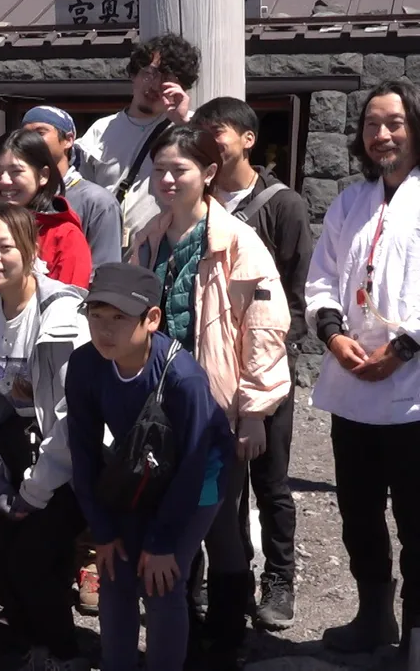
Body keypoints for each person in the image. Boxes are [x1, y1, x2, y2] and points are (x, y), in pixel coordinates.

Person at [129, 125, 292, 669]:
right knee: (169, 515)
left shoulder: (238, 243)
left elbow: (265, 330)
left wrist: (255, 410)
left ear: (208, 174)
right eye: (160, 170)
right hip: (158, 408)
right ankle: (185, 620)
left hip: (217, 409)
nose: (168, 179)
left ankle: (227, 633)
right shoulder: (148, 237)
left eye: (180, 169)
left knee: (220, 521)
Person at [66, 263, 235, 671]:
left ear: (152, 319)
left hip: (199, 477)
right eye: (96, 317)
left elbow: (194, 463)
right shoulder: (85, 365)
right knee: (114, 573)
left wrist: (162, 541)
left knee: (163, 581)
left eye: (119, 319)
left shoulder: (183, 378)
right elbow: (83, 453)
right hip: (138, 467)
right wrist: (102, 531)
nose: (105, 331)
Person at [305, 79, 420, 662]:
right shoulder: (352, 201)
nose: (382, 135)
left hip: (415, 392)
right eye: (373, 124)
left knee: (418, 518)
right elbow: (323, 277)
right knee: (357, 510)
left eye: (395, 123)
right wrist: (332, 334)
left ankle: (418, 635)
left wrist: (403, 349)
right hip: (352, 390)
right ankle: (373, 617)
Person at [195, 96, 313, 631]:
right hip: (209, 369)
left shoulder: (281, 204)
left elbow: (298, 291)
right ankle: (229, 579)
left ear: (247, 138)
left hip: (266, 370)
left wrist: (270, 361)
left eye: (216, 130)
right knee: (218, 485)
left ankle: (280, 582)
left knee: (270, 480)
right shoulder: (196, 199)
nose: (208, 139)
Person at [0, 203, 90, 670]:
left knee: (32, 556)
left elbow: (70, 417)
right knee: (2, 554)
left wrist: (34, 492)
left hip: (69, 462)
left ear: (32, 249)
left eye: (5, 246)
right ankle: (34, 646)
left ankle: (63, 653)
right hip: (17, 456)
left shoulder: (62, 314)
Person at [75, 33, 198, 244]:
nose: (154, 86)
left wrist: (182, 121)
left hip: (167, 249)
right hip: (108, 249)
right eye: (150, 74)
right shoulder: (101, 130)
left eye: (167, 79)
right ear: (134, 74)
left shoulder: (190, 127)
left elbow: (214, 177)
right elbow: (79, 192)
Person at [0, 129, 92, 296]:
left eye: (16, 172)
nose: (4, 181)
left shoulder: (65, 235)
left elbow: (70, 301)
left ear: (43, 175)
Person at [21, 105, 122, 267]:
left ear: (68, 140)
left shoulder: (97, 201)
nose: (31, 140)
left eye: (40, 133)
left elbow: (105, 270)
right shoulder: (18, 195)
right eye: (26, 134)